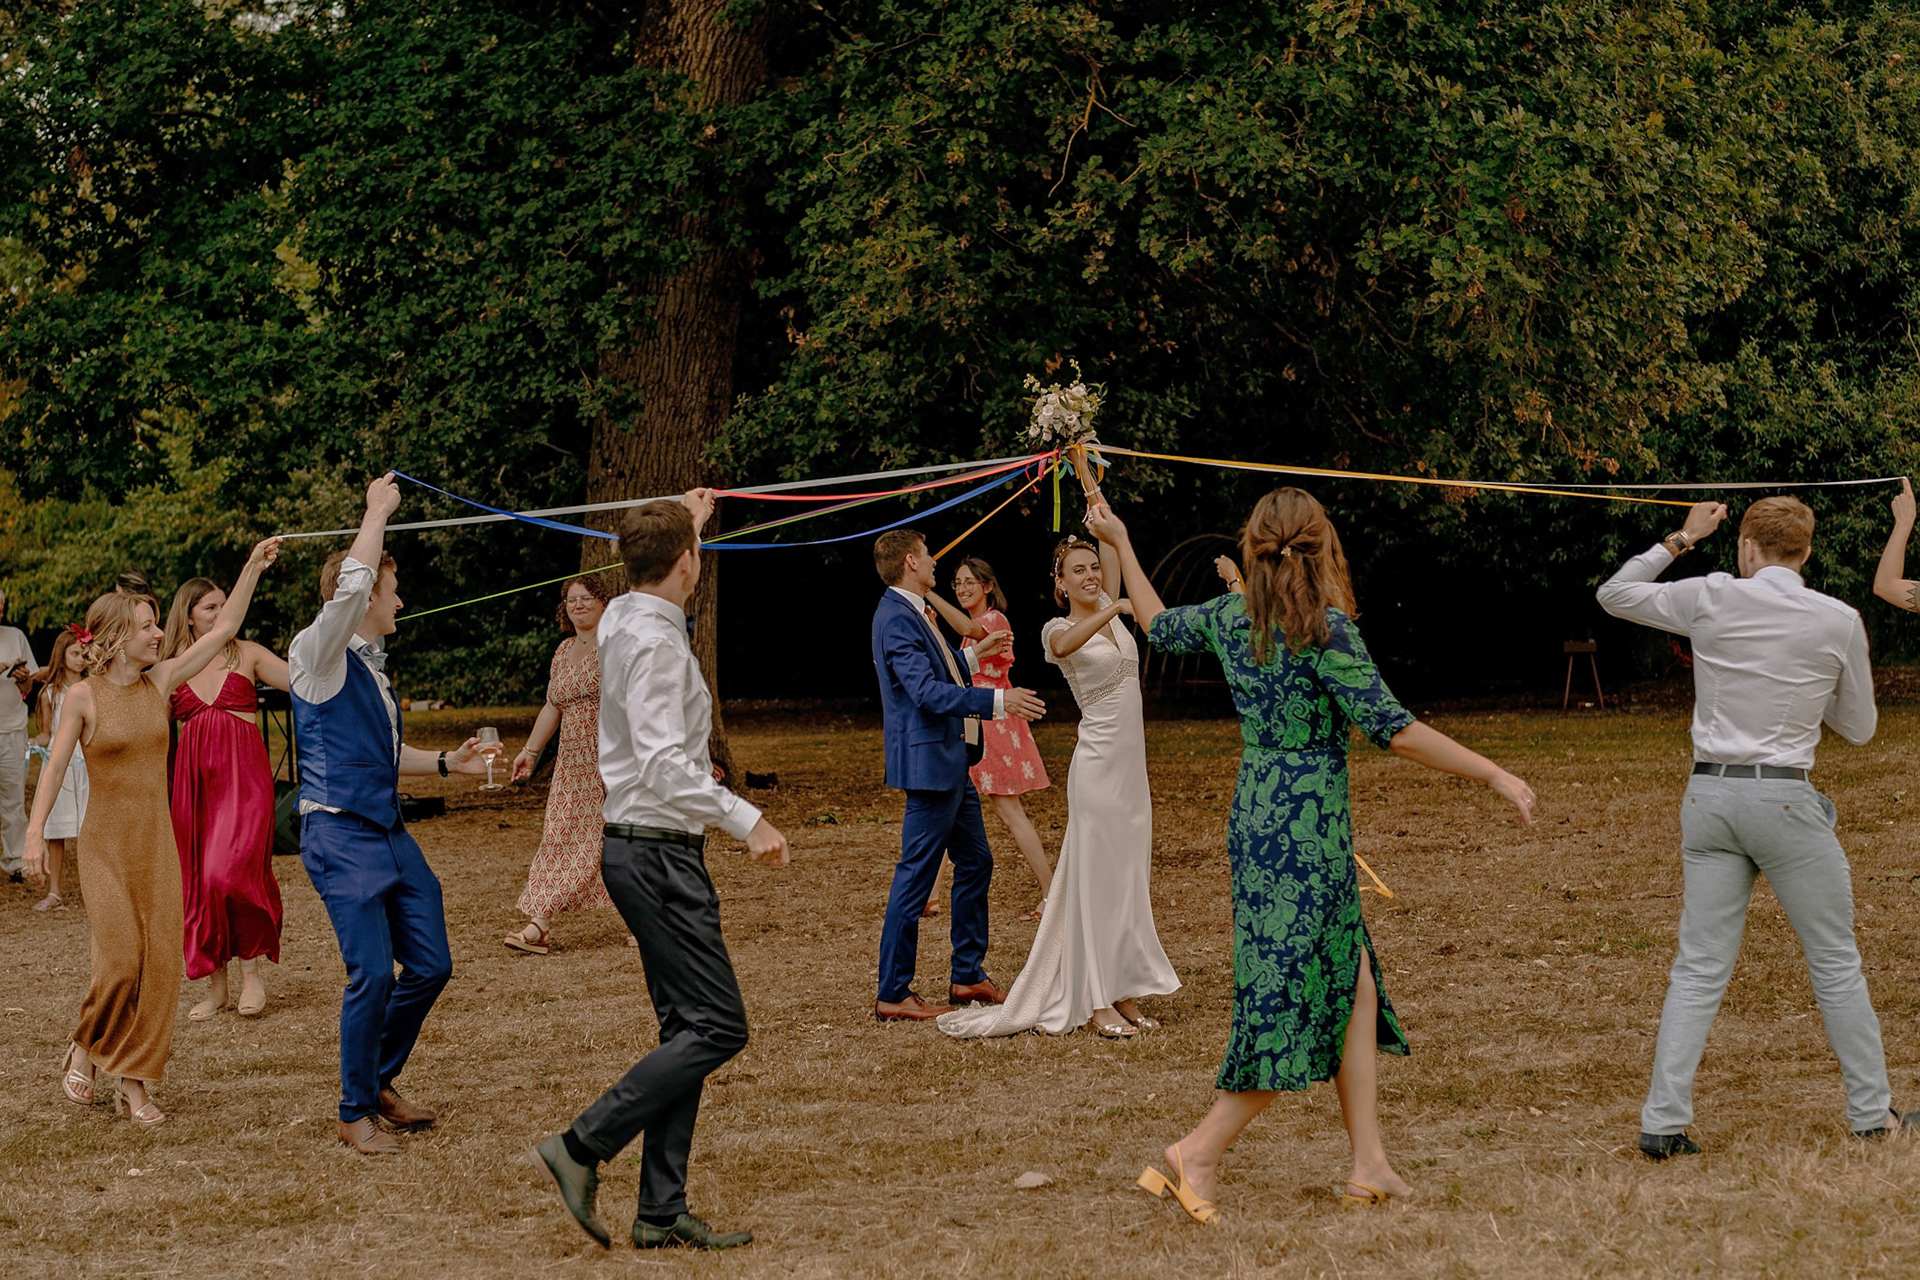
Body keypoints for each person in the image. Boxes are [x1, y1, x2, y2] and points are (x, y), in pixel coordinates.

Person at [1087, 489, 1534, 1221]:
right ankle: (1197, 1152)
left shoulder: (1233, 617)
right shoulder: (1324, 631)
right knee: (1294, 992)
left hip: (1260, 813)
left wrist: (1123, 542)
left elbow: (1157, 623)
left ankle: (1370, 1163)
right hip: (1306, 831)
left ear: (1256, 547)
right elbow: (1394, 728)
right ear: (1321, 547)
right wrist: (1492, 773)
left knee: (1352, 981)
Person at [1600, 495, 1907, 1154]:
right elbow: (1859, 728)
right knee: (1834, 963)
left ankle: (1663, 1121)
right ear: (1806, 552)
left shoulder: (1710, 595)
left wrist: (1683, 537)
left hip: (1709, 797)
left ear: (1745, 547)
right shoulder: (1837, 618)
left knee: (1698, 966)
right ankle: (1871, 1115)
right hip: (1784, 801)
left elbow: (1615, 594)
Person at [528, 490, 790, 1253]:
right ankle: (580, 1144)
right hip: (655, 853)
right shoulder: (652, 643)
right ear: (687, 565)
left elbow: (656, 565)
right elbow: (663, 762)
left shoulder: (624, 618)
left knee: (688, 1027)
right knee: (720, 1025)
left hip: (645, 850)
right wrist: (747, 819)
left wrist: (687, 521)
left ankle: (660, 1210)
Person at [22, 538, 282, 1126]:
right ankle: (85, 1045)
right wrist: (34, 835)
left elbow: (227, 627)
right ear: (117, 637)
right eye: (147, 626)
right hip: (105, 847)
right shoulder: (82, 697)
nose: (160, 634)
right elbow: (55, 768)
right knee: (120, 962)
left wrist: (251, 567)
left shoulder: (160, 681)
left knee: (159, 965)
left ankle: (134, 1085)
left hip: (158, 845)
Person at [289, 474, 491, 1155]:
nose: (400, 600)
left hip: (390, 831)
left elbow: (382, 752)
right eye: (392, 588)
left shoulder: (370, 668)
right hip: (338, 833)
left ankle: (377, 1080)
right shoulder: (315, 654)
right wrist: (377, 511)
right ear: (366, 593)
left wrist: (447, 764)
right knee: (373, 973)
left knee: (431, 965)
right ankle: (354, 1111)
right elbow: (350, 588)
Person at [939, 535, 1179, 1041]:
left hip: (1131, 773)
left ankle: (1123, 990)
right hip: (1096, 769)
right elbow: (1066, 647)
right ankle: (1095, 1000)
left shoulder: (1108, 610)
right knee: (1095, 881)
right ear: (1061, 583)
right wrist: (1112, 605)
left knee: (1125, 880)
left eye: (1094, 568)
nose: (1091, 576)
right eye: (1078, 571)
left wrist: (1099, 509)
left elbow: (1112, 547)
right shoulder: (1058, 628)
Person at [868, 528, 1045, 1021]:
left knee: (977, 861)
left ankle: (967, 974)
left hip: (952, 759)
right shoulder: (896, 617)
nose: (934, 562)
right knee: (915, 877)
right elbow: (925, 692)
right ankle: (893, 992)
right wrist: (998, 699)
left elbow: (938, 668)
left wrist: (972, 656)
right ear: (910, 561)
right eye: (928, 554)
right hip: (930, 764)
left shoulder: (912, 611)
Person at [163, 577, 293, 1020]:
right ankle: (217, 986)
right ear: (189, 616)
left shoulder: (248, 653)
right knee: (199, 882)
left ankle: (251, 974)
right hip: (194, 785)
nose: (221, 614)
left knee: (229, 872)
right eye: (211, 608)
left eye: (225, 605)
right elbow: (151, 731)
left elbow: (302, 681)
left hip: (244, 781)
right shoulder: (172, 666)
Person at [926, 557, 1052, 921]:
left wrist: (927, 591)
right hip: (975, 720)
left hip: (994, 722)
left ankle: (1051, 892)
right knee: (953, 806)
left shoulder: (994, 620)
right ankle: (930, 894)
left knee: (1008, 810)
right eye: (957, 583)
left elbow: (967, 627)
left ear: (987, 586)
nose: (962, 589)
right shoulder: (973, 629)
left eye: (970, 582)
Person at [505, 574, 615, 954]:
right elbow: (553, 705)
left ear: (603, 603)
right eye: (571, 600)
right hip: (571, 764)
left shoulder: (616, 644)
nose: (578, 605)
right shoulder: (563, 650)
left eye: (586, 598)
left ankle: (651, 919)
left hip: (612, 759)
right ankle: (540, 923)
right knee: (558, 835)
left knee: (622, 840)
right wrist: (530, 751)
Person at [29, 628, 90, 912]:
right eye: (75, 654)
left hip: (87, 761)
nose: (81, 659)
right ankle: (55, 892)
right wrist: (34, 742)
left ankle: (95, 891)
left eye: (84, 654)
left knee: (91, 827)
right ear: (61, 656)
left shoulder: (93, 689)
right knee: (57, 831)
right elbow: (47, 732)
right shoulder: (50, 693)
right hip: (61, 763)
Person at [0, 587, 40, 882]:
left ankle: (14, 861)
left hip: (13, 729)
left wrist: (23, 680)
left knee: (13, 798)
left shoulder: (15, 636)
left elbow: (29, 688)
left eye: (1, 607)